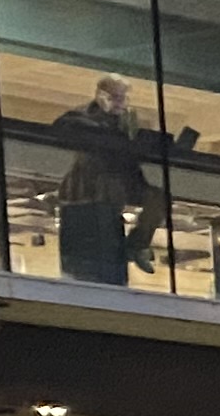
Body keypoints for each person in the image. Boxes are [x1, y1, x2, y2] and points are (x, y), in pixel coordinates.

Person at [45, 76, 145, 286]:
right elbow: (62, 127)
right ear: (101, 96)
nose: (120, 103)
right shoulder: (81, 116)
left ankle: (137, 247)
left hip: (109, 200)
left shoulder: (124, 123)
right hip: (81, 196)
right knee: (85, 261)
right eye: (116, 98)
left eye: (123, 98)